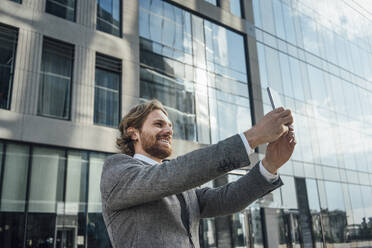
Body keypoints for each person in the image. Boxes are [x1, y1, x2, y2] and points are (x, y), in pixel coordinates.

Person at [100, 99, 295, 248]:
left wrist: (270, 165)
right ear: (133, 133)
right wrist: (253, 137)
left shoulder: (181, 187)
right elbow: (171, 175)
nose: (168, 130)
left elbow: (228, 199)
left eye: (170, 126)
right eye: (159, 124)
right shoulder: (117, 170)